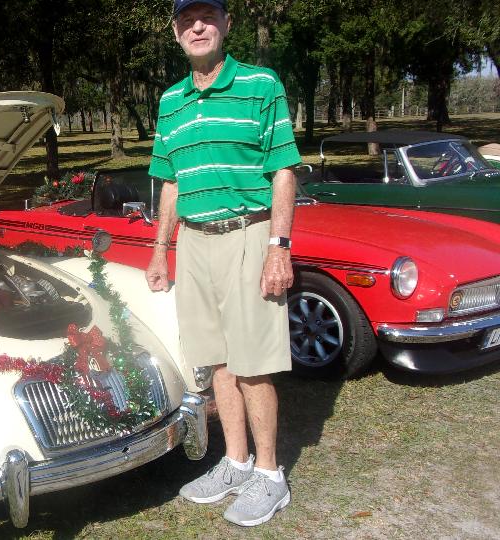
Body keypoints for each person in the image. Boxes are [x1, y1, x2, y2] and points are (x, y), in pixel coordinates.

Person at [145, 0, 301, 527]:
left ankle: (270, 475)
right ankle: (235, 462)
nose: (198, 26)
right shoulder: (170, 101)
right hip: (194, 241)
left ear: (226, 24)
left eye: (207, 16)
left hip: (249, 234)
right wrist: (161, 250)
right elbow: (171, 182)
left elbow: (283, 170)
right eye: (187, 19)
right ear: (176, 31)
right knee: (216, 360)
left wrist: (278, 246)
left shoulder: (260, 84)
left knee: (253, 362)